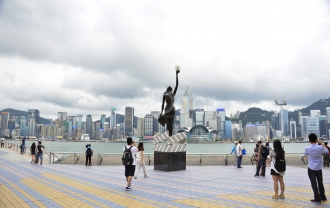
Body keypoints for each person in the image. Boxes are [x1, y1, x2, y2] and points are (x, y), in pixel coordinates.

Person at [304, 133, 329, 203]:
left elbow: (305, 153)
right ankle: (323, 196)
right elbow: (327, 151)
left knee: (314, 183)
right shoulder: (320, 147)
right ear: (316, 139)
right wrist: (321, 143)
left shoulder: (307, 148)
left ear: (309, 140)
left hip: (311, 167)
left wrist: (310, 144)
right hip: (318, 167)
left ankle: (317, 198)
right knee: (320, 182)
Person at [160, 69, 179, 136]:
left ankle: (169, 139)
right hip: (172, 109)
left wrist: (161, 112)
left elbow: (162, 104)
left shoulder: (165, 94)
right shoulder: (173, 94)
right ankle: (170, 138)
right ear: (171, 90)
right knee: (171, 125)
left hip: (167, 110)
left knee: (168, 125)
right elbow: (177, 85)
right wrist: (176, 74)